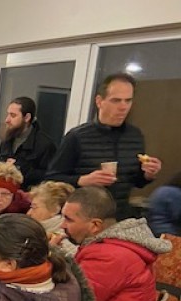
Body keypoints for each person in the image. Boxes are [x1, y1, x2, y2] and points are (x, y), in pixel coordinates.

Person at [45, 73, 162, 220]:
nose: (123, 107)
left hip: (120, 216)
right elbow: (52, 179)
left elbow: (136, 181)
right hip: (83, 218)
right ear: (99, 101)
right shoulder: (77, 136)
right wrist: (82, 180)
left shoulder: (135, 136)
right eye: (116, 100)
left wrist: (148, 175)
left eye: (128, 100)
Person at [0, 96, 57, 190]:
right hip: (4, 193)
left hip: (29, 195)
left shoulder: (45, 145)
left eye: (13, 115)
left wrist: (20, 169)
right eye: (8, 114)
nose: (7, 120)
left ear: (27, 117)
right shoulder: (6, 141)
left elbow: (50, 178)